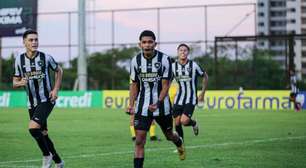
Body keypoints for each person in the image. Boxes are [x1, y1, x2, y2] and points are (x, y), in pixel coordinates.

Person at [127, 30, 185, 168]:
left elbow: (166, 85)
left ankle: (179, 142)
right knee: (139, 141)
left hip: (162, 106)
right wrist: (131, 104)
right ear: (139, 44)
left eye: (150, 42)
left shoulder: (165, 60)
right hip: (142, 107)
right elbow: (134, 84)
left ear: (155, 43)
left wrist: (158, 103)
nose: (147, 45)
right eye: (144, 42)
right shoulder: (135, 61)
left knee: (169, 135)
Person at [13, 29, 64, 168]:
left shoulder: (45, 57)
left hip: (46, 99)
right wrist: (19, 83)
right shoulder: (19, 59)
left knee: (33, 128)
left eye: (36, 39)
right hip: (31, 102)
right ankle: (59, 161)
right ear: (24, 42)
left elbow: (59, 70)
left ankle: (46, 155)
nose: (34, 42)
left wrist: (56, 89)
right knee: (43, 133)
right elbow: (14, 82)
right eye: (31, 40)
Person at [172, 43, 208, 141]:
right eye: (181, 50)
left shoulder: (194, 65)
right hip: (178, 98)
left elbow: (205, 76)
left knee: (184, 121)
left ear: (188, 52)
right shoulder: (173, 66)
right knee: (177, 122)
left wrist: (202, 93)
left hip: (191, 98)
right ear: (178, 52)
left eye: (185, 50)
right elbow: (166, 81)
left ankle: (193, 123)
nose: (183, 52)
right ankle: (181, 145)